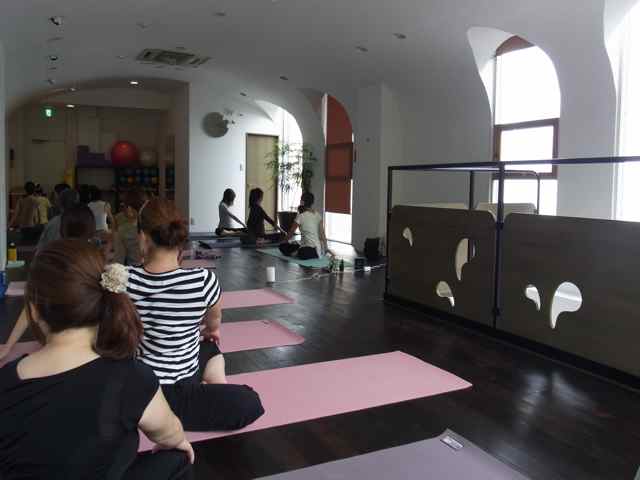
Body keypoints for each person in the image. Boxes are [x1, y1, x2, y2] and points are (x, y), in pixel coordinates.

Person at [0, 240, 194, 479]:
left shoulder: (6, 380)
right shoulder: (131, 377)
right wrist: (180, 442)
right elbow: (169, 433)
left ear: (34, 310)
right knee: (178, 456)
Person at [128, 199, 264, 431]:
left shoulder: (125, 279)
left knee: (208, 348)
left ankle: (212, 390)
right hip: (173, 391)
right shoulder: (203, 280)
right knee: (250, 401)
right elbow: (214, 322)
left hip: (142, 384)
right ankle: (210, 393)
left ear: (143, 236)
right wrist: (211, 330)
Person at [0, 205, 101, 362]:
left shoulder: (51, 256)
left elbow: (32, 302)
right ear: (91, 228)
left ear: (63, 228)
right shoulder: (96, 258)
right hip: (89, 342)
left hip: (54, 341)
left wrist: (9, 345)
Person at [279, 192, 330, 259]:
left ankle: (296, 252)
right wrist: (326, 247)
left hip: (309, 250)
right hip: (317, 249)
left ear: (302, 202)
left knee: (282, 246)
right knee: (298, 247)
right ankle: (297, 252)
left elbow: (291, 232)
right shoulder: (318, 215)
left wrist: (284, 241)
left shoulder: (300, 216)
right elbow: (322, 233)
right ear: (312, 202)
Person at [114, 189, 148, 265]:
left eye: (123, 205)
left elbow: (119, 262)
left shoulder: (122, 231)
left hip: (134, 269)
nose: (122, 209)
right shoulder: (156, 226)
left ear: (129, 209)